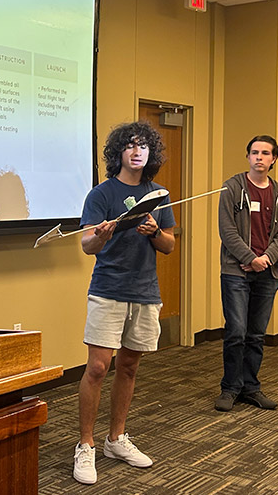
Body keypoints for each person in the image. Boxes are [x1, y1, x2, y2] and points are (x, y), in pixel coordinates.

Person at [73, 122, 176, 485]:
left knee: (129, 368)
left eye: (144, 146)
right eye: (131, 145)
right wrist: (102, 234)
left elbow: (169, 246)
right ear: (119, 151)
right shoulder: (101, 194)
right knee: (99, 368)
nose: (137, 151)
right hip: (108, 289)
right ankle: (85, 443)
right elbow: (87, 246)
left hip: (145, 292)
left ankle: (115, 439)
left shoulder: (158, 194)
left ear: (151, 154)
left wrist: (155, 233)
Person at [214, 135, 278, 412]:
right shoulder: (232, 188)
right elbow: (227, 230)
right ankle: (230, 388)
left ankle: (251, 387)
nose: (259, 157)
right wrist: (249, 259)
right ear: (247, 156)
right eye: (254, 152)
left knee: (256, 334)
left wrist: (266, 259)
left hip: (267, 274)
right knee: (236, 331)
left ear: (273, 159)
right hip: (236, 272)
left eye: (265, 153)